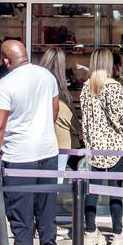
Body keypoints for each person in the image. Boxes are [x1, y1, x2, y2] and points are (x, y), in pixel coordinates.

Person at [0, 39, 61, 245]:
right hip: (48, 150)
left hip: (19, 155)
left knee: (21, 214)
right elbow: (54, 109)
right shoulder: (46, 76)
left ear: (6, 60)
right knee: (47, 208)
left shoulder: (5, 84)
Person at [78, 47, 123, 245]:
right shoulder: (114, 87)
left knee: (92, 191)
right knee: (115, 190)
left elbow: (85, 120)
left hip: (93, 146)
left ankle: (89, 231)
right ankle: (117, 233)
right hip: (114, 145)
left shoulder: (86, 87)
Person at [40, 47, 79, 177]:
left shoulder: (39, 84)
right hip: (60, 139)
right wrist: (80, 130)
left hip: (40, 138)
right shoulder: (59, 90)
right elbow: (69, 116)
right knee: (56, 178)